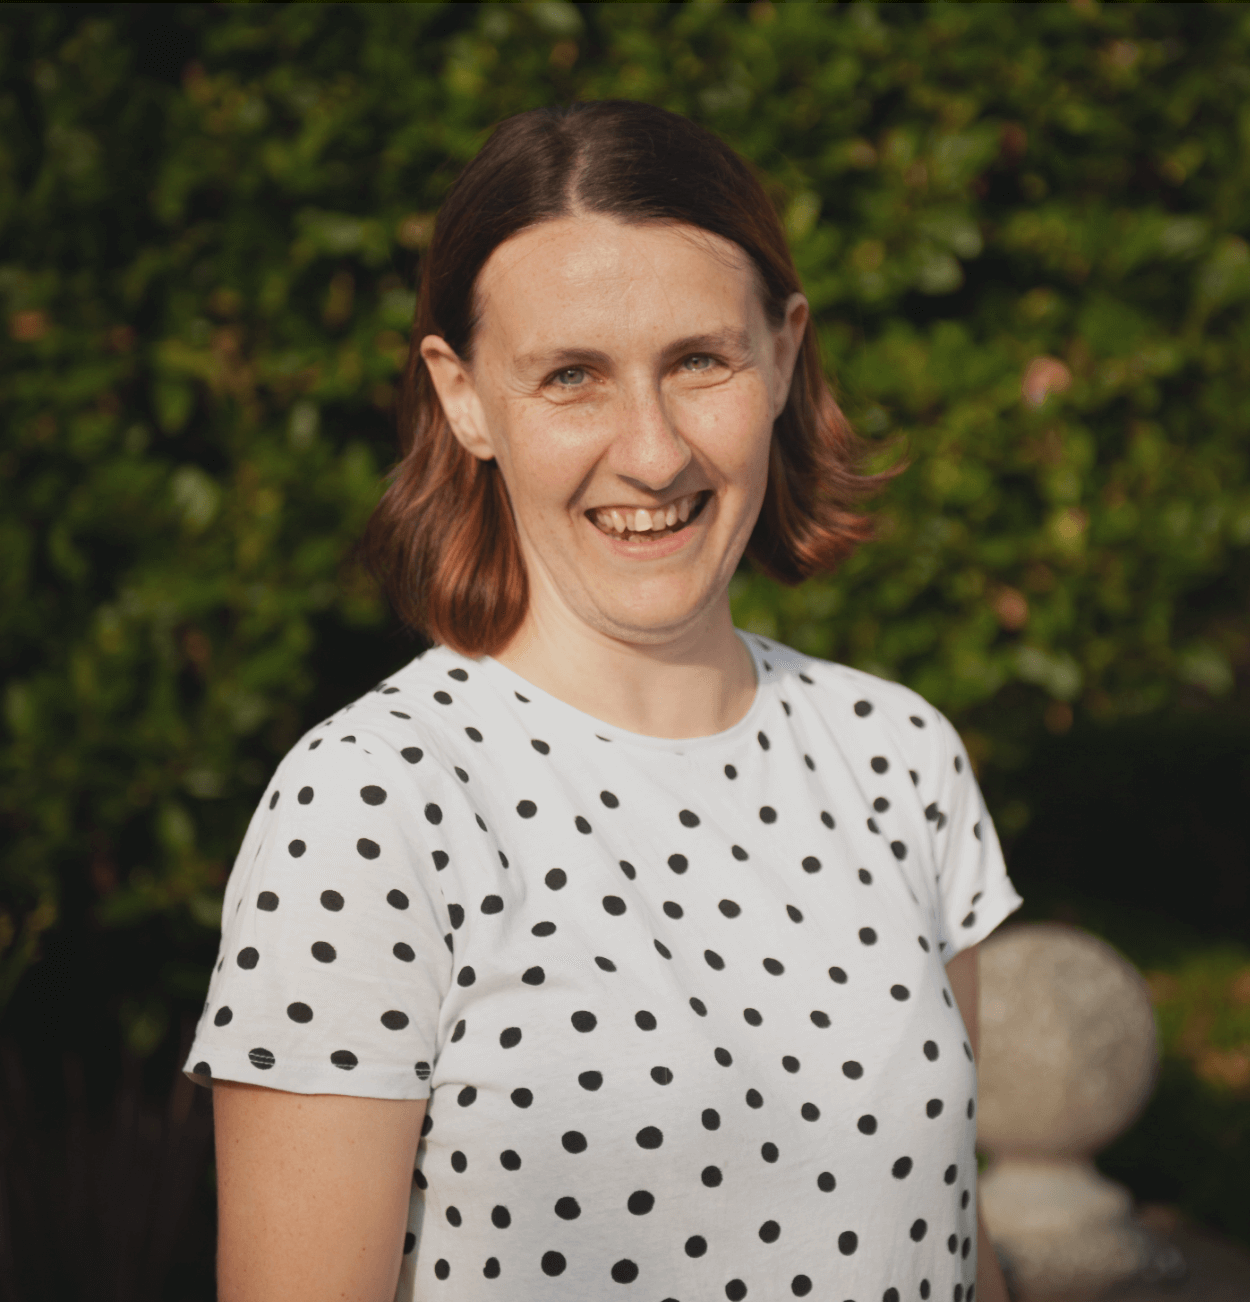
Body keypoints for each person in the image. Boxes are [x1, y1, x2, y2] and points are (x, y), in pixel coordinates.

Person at [187, 99, 1020, 1302]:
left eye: (699, 362)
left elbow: (950, 1235)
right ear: (464, 396)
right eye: (571, 376)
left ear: (784, 354)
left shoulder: (901, 757)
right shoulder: (371, 805)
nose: (654, 452)